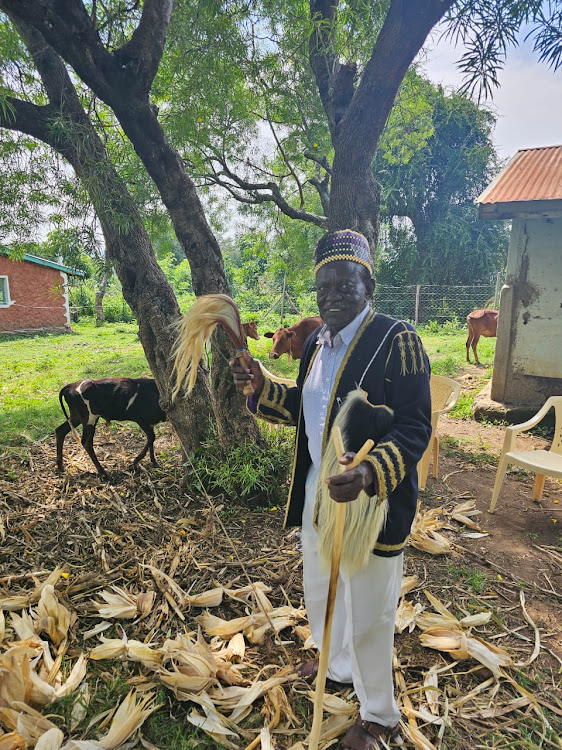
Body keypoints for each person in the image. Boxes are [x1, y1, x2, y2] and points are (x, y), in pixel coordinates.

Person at [229, 229, 432, 750]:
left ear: (368, 285)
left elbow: (414, 427)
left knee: (369, 609)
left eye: (346, 284)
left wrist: (368, 475)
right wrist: (260, 384)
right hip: (320, 490)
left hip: (371, 500)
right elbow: (307, 408)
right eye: (325, 287)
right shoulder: (317, 342)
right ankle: (335, 666)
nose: (334, 295)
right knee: (321, 589)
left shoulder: (396, 339)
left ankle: (379, 717)